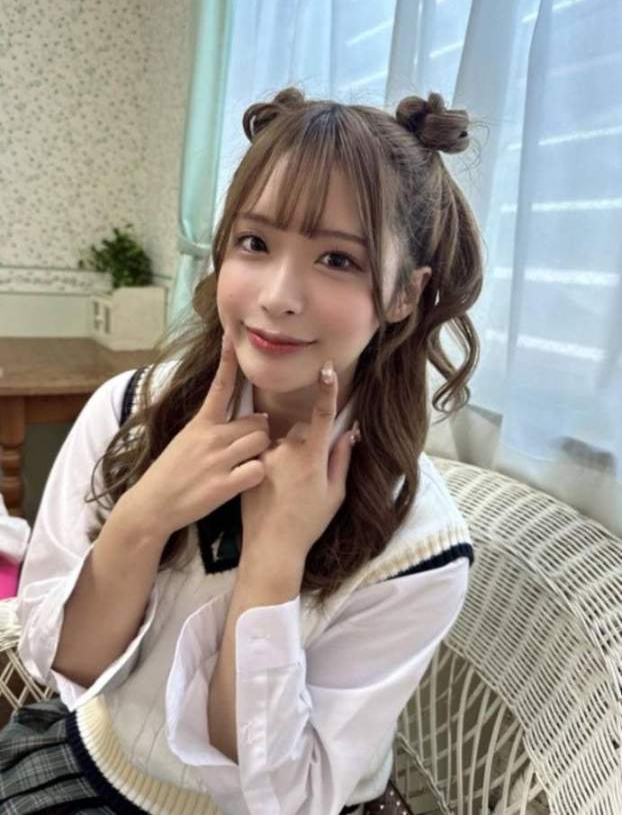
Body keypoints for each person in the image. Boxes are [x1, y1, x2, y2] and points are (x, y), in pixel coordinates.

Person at [0, 86, 484, 815]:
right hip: (95, 768)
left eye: (338, 259)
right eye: (255, 243)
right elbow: (68, 662)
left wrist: (274, 557)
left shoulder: (419, 542)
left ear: (404, 296)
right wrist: (146, 513)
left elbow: (272, 790)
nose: (278, 295)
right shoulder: (130, 412)